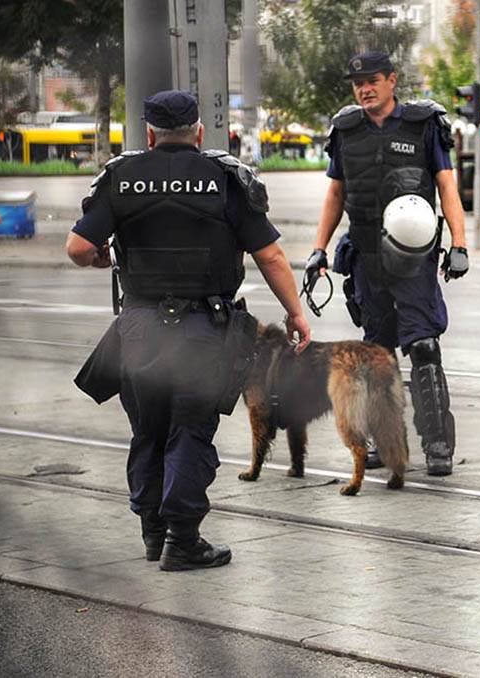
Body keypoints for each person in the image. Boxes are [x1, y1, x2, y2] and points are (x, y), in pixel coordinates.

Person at [66, 90, 312, 571]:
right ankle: (183, 540)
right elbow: (270, 256)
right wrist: (296, 313)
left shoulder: (122, 177)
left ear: (150, 133)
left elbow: (77, 247)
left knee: (149, 432)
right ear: (199, 132)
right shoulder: (225, 179)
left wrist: (99, 257)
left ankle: (153, 534)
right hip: (204, 330)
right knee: (191, 432)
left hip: (138, 330)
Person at [305, 51, 469, 476]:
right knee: (378, 352)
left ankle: (437, 444)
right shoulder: (346, 130)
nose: (364, 88)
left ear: (392, 80)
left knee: (424, 346)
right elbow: (335, 194)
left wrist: (460, 243)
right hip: (366, 256)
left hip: (414, 257)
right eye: (358, 82)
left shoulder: (422, 126)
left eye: (372, 80)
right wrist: (318, 249)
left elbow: (447, 188)